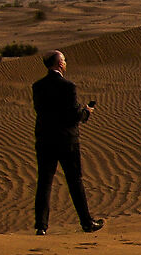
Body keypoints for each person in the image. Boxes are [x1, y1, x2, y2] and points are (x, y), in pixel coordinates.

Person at [33, 51, 102, 235]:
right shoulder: (68, 86)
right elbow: (74, 115)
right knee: (74, 181)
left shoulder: (37, 86)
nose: (65, 63)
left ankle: (41, 226)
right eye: (64, 60)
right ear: (59, 64)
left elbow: (40, 110)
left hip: (44, 140)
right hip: (66, 141)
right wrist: (86, 112)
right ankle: (86, 222)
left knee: (44, 182)